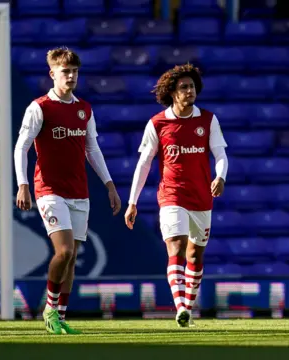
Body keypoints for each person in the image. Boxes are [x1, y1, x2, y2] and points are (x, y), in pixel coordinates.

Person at [14, 47, 121, 335]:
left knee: (72, 258)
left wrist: (109, 184)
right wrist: (23, 183)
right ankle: (49, 308)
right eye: (65, 71)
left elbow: (92, 148)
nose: (71, 75)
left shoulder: (84, 109)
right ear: (52, 74)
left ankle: (59, 316)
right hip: (49, 190)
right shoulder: (40, 108)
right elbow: (21, 147)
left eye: (74, 71)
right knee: (64, 251)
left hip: (79, 191)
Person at [123, 64, 229, 328]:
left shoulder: (208, 120)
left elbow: (221, 155)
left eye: (192, 86)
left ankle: (187, 310)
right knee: (177, 246)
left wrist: (220, 176)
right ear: (172, 92)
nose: (189, 91)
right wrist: (132, 201)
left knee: (195, 255)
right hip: (171, 195)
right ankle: (181, 306)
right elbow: (144, 164)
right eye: (183, 87)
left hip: (202, 197)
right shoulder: (158, 123)